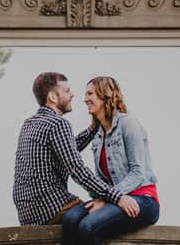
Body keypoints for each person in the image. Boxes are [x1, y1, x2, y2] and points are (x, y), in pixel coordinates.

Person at [55, 75, 161, 245]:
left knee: (88, 227)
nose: (85, 99)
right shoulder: (98, 133)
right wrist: (105, 197)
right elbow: (99, 177)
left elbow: (137, 172)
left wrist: (108, 197)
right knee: (70, 219)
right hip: (114, 198)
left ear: (105, 96)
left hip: (142, 199)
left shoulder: (128, 124)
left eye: (90, 94)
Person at [11, 69, 113, 229]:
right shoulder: (58, 124)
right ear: (52, 97)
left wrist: (92, 129)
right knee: (107, 213)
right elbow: (78, 170)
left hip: (27, 214)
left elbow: (65, 150)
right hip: (52, 208)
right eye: (67, 91)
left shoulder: (29, 123)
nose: (72, 94)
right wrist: (115, 196)